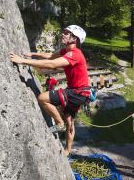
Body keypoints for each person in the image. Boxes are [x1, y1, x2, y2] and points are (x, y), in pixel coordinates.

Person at [10, 25, 90, 156]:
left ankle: (59, 123)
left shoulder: (75, 54)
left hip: (76, 92)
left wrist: (23, 61)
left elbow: (52, 64)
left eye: (66, 33)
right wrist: (33, 54)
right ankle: (67, 151)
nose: (62, 34)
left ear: (74, 39)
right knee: (69, 120)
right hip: (79, 92)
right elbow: (51, 56)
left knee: (42, 98)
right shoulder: (67, 51)